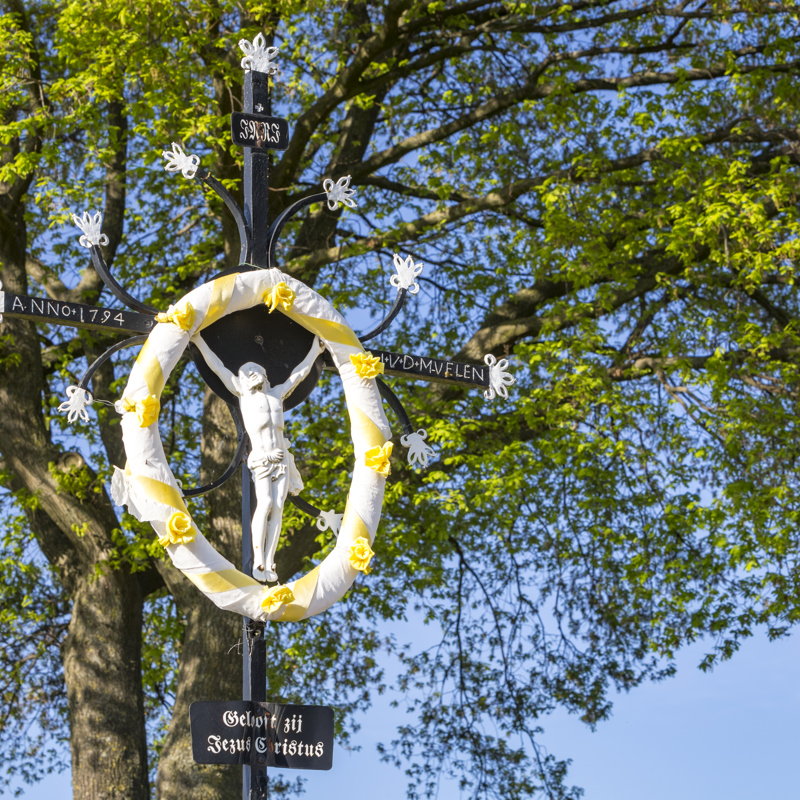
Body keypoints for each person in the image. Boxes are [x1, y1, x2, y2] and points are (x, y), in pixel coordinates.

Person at [192, 333, 326, 582]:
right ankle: (258, 560)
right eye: (248, 371)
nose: (253, 373)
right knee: (264, 504)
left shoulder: (276, 395)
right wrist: (199, 341)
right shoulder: (244, 395)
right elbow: (217, 366)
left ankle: (270, 562)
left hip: (282, 459)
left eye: (257, 369)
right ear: (241, 379)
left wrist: (315, 352)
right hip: (262, 457)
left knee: (278, 509)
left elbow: (298, 374)